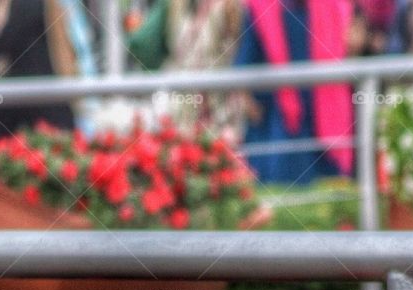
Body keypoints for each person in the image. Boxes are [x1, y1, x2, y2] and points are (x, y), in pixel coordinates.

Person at [233, 0, 355, 185]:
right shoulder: (259, 8)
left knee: (330, 188)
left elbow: (350, 52)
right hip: (277, 118)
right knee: (284, 187)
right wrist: (247, 102)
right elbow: (244, 62)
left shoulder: (333, 6)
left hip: (325, 116)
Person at [0, 0, 81, 142]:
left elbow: (6, 39)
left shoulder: (25, 4)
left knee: (0, 143)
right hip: (44, 85)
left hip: (33, 86)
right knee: (59, 142)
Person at [127, 0, 242, 131]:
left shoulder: (173, 5)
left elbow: (141, 43)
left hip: (189, 101)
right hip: (214, 102)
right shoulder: (231, 5)